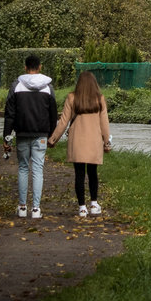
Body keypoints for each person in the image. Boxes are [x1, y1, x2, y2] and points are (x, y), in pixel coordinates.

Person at [49, 71, 112, 216]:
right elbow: (104, 124)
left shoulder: (71, 98)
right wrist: (107, 142)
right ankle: (94, 204)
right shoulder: (100, 99)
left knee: (79, 174)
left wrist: (52, 140)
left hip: (77, 142)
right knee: (92, 173)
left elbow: (63, 122)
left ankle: (82, 207)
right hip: (94, 142)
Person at [2, 55, 58, 218]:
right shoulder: (48, 88)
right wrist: (52, 136)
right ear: (40, 67)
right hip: (41, 134)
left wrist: (6, 137)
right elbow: (53, 114)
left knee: (23, 168)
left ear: (25, 67)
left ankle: (21, 207)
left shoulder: (16, 86)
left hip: (22, 134)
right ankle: (36, 209)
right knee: (38, 169)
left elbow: (9, 115)